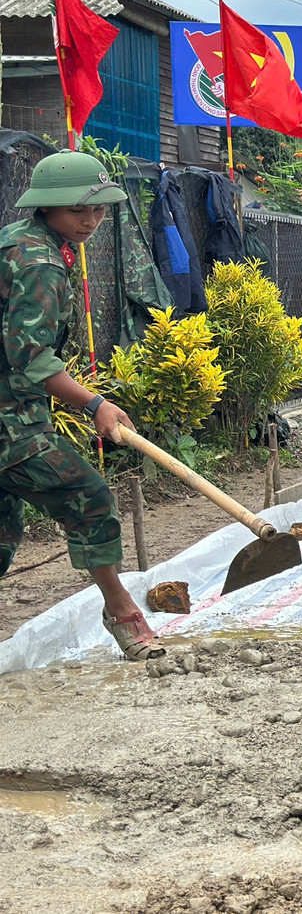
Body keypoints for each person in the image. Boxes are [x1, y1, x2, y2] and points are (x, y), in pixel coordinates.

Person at [1, 151, 163, 661]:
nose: (90, 220)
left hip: (13, 408)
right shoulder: (40, 263)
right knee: (87, 495)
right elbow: (30, 357)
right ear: (48, 208)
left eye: (97, 210)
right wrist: (94, 403)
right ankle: (120, 610)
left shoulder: (16, 240)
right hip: (10, 423)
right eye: (78, 211)